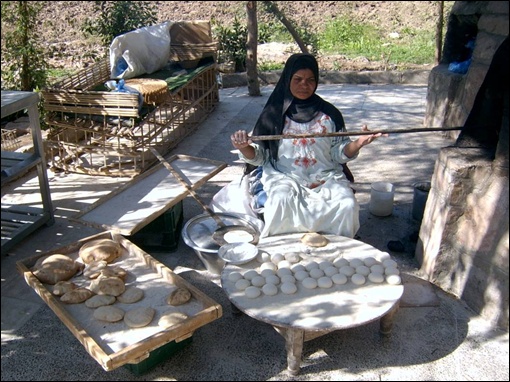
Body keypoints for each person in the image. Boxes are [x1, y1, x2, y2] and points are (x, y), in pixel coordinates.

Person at [230, 53, 385, 239]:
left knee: (346, 205)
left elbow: (338, 153)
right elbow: (261, 157)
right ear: (287, 79)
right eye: (298, 79)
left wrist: (359, 143)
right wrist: (243, 146)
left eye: (311, 80)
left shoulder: (330, 114)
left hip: (325, 177)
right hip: (284, 177)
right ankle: (285, 253)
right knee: (280, 202)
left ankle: (339, 253)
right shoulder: (273, 114)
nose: (304, 85)